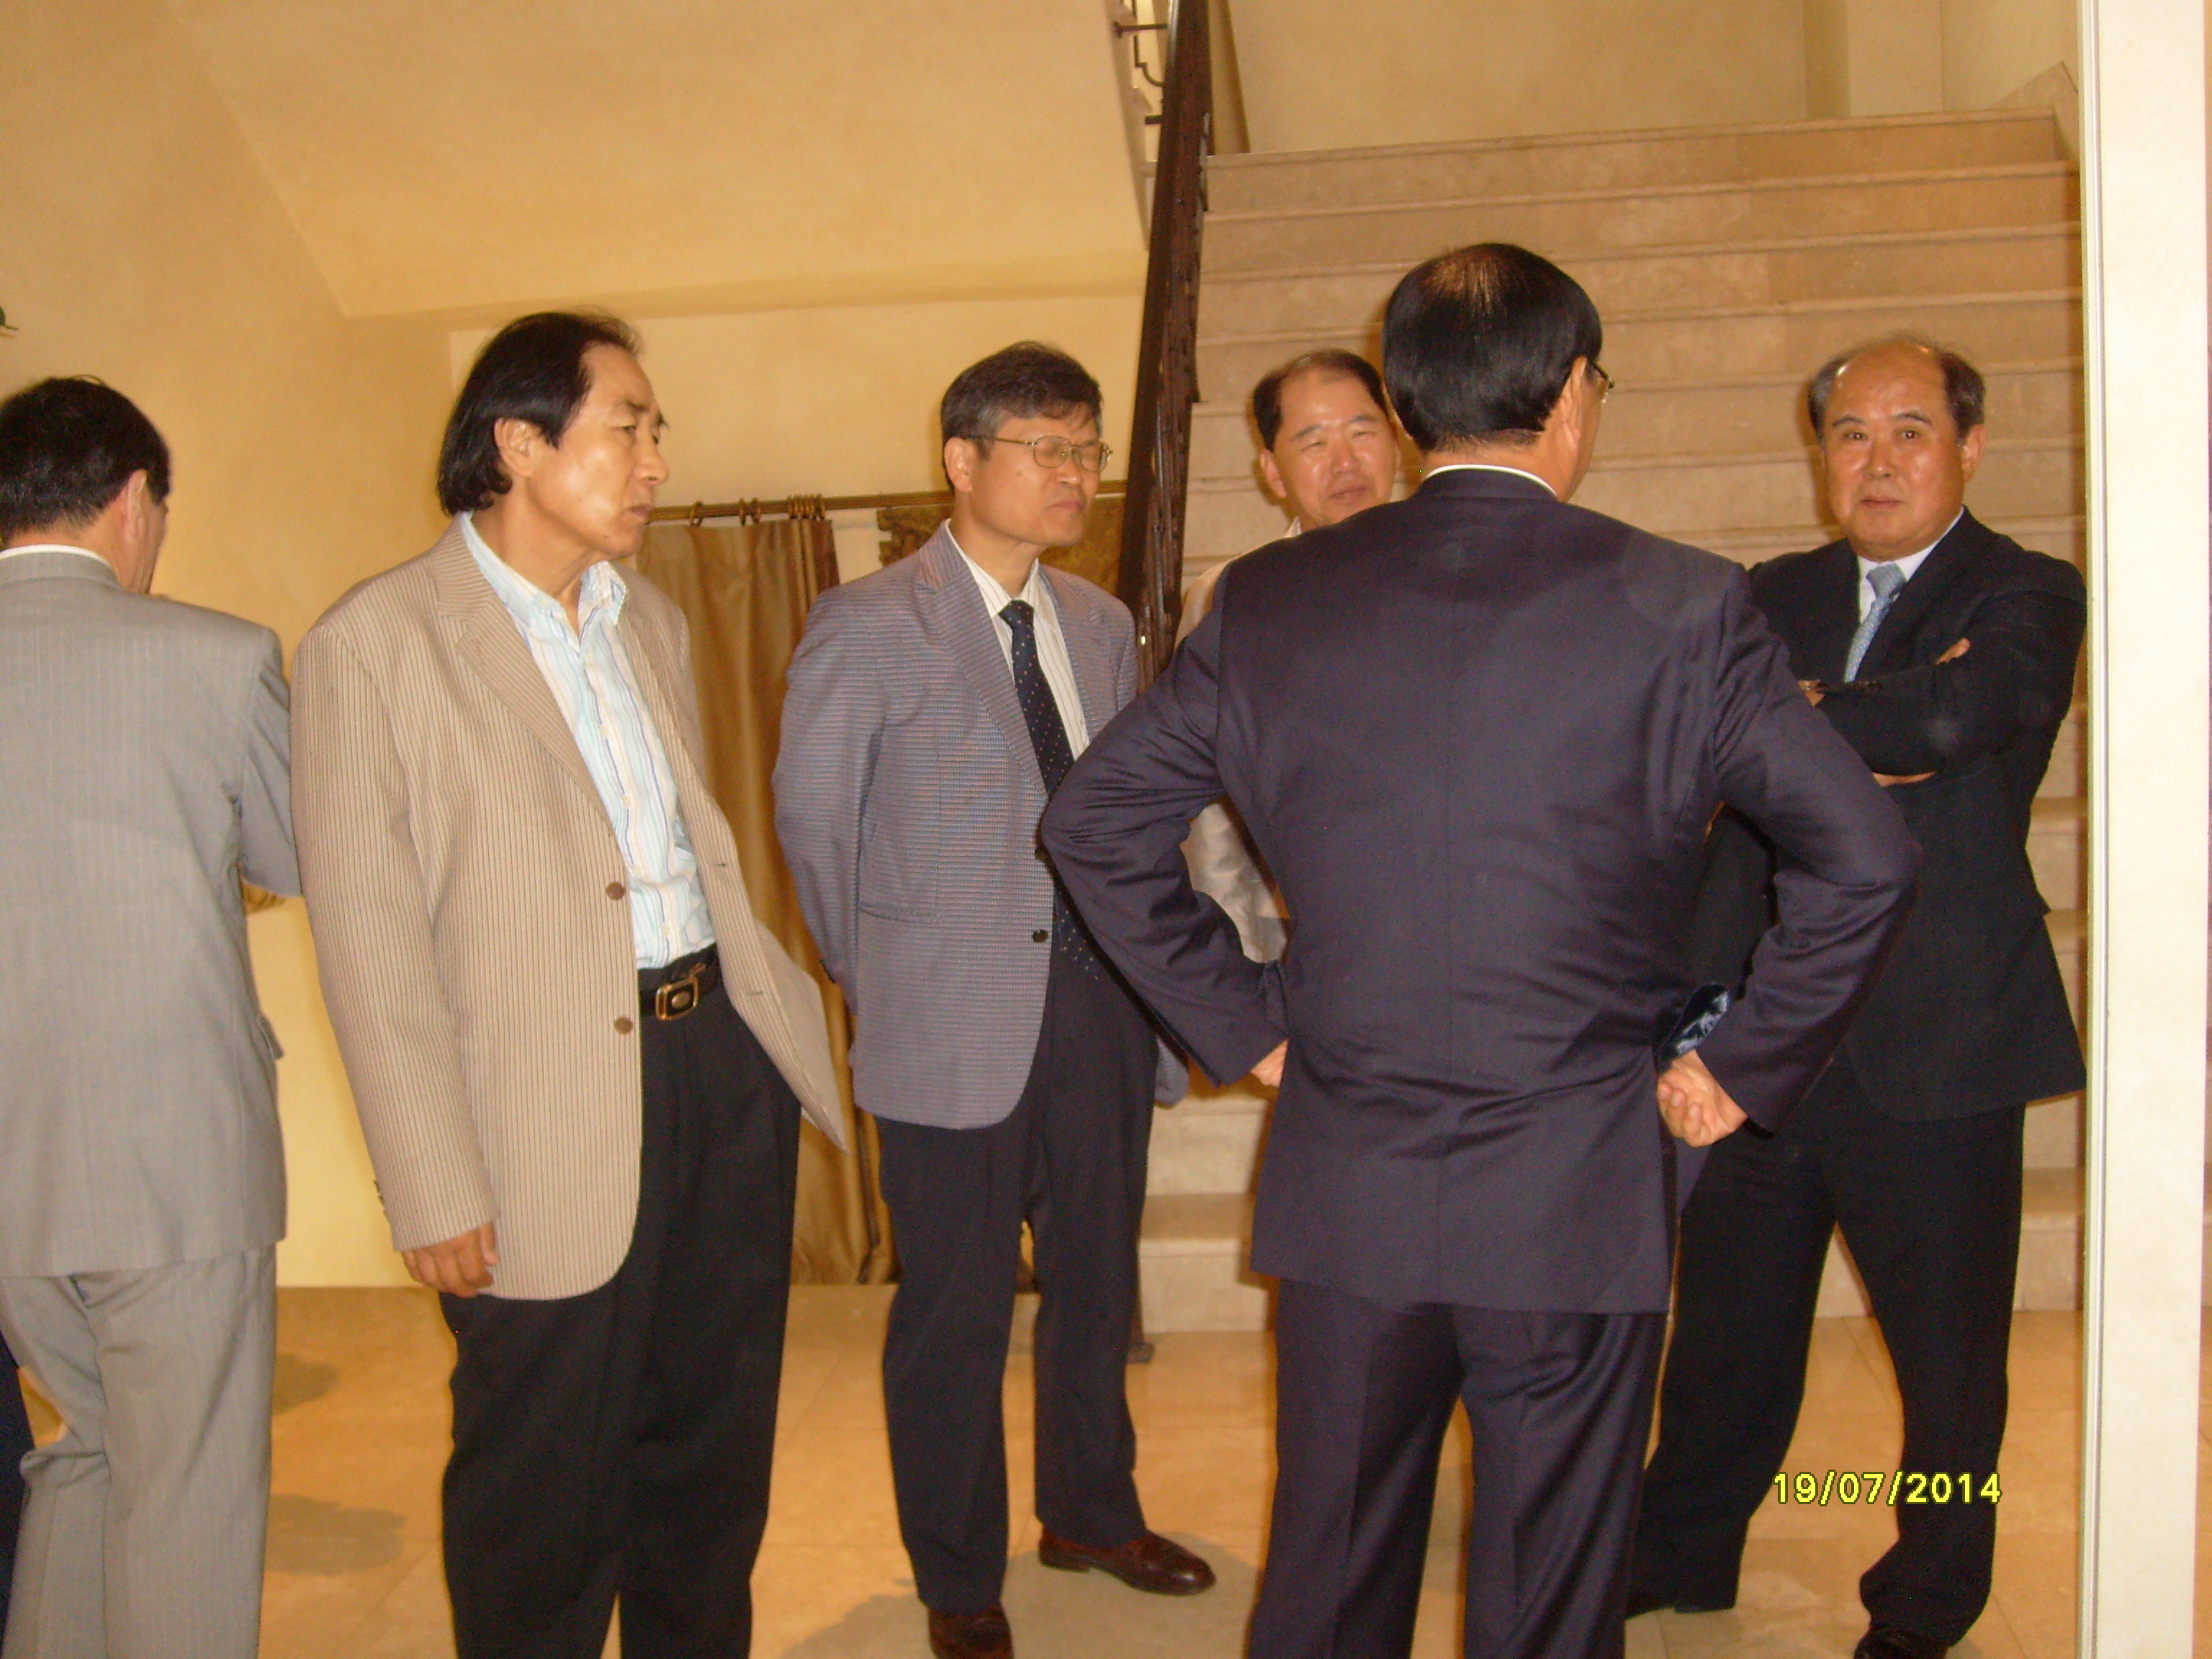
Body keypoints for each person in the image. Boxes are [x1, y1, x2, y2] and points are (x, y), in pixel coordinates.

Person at [1038, 244, 1922, 1659]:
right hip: (1575, 1189)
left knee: (1328, 1581)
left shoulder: (1272, 601)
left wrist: (1246, 1020)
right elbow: (1866, 856)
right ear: (1571, 394)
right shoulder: (1685, 605)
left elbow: (1092, 824)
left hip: (1352, 1184)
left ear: (1400, 409)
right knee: (1548, 1597)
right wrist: (1740, 1064)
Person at [292, 312, 843, 1659]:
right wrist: (432, 1179)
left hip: (715, 1058)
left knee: (710, 1447)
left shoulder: (647, 618)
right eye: (627, 428)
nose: (656, 461)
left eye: (658, 433)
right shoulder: (377, 642)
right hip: (534, 1102)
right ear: (520, 443)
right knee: (539, 1471)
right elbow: (370, 939)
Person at [1628, 338, 2086, 1659]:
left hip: (1940, 1040)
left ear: (1970, 445)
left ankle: (1928, 1599)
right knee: (1723, 1336)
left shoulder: (2027, 589)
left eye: (1909, 430)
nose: (1876, 459)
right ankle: (1679, 1550)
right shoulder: (1770, 592)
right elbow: (1702, 736)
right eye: (1849, 433)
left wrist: (1791, 721)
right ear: (1820, 453)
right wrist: (1855, 722)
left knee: (1948, 1368)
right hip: (1759, 1033)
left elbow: (1953, 720)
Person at [775, 342, 1213, 1659]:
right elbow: (815, 829)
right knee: (954, 1316)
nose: (1076, 472)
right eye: (1046, 446)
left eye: (1088, 449)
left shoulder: (1100, 624)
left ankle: (1090, 1513)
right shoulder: (868, 621)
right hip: (948, 1021)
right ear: (962, 461)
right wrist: (886, 974)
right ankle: (959, 1576)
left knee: (1097, 1286)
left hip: (1100, 1006)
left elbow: (1131, 820)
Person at [0, 376, 297, 1659]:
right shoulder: (216, 657)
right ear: (133, 501)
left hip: (12, 1179)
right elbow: (295, 852)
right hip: (174, 1160)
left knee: (85, 1452)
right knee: (186, 1495)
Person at [1180, 349, 1403, 964]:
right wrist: (1240, 957)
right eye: (1314, 442)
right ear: (1273, 472)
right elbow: (1209, 804)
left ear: (1397, 441)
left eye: (1363, 432)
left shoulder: (1455, 578)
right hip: (1295, 940)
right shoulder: (1231, 596)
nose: (1345, 461)